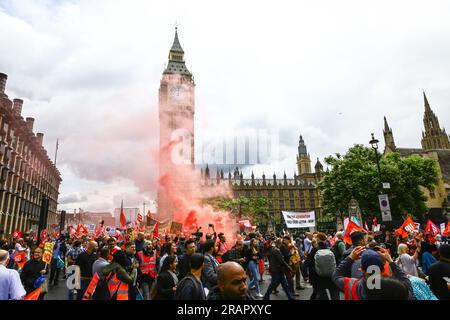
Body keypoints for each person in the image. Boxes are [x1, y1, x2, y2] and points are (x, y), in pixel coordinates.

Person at [332, 246, 415, 300]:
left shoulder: (352, 285)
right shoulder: (395, 287)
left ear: (361, 269)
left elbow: (336, 276)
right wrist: (390, 261)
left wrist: (350, 258)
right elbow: (408, 286)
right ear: (382, 269)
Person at [306, 232, 339, 300]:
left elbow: (307, 263)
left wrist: (306, 275)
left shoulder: (314, 251)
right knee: (334, 294)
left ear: (317, 240)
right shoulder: (331, 250)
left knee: (321, 295)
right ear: (325, 240)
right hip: (331, 277)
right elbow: (337, 262)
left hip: (318, 277)